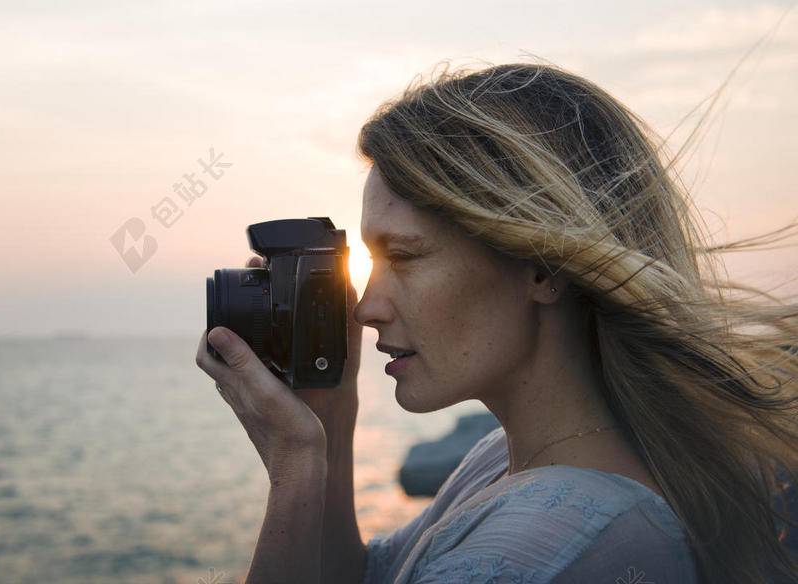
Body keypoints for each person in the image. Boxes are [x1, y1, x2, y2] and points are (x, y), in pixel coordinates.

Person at [196, 62, 798, 583]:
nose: (365, 308)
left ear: (543, 268)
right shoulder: (515, 459)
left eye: (403, 256)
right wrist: (329, 421)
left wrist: (295, 470)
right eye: (372, 264)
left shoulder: (547, 549)